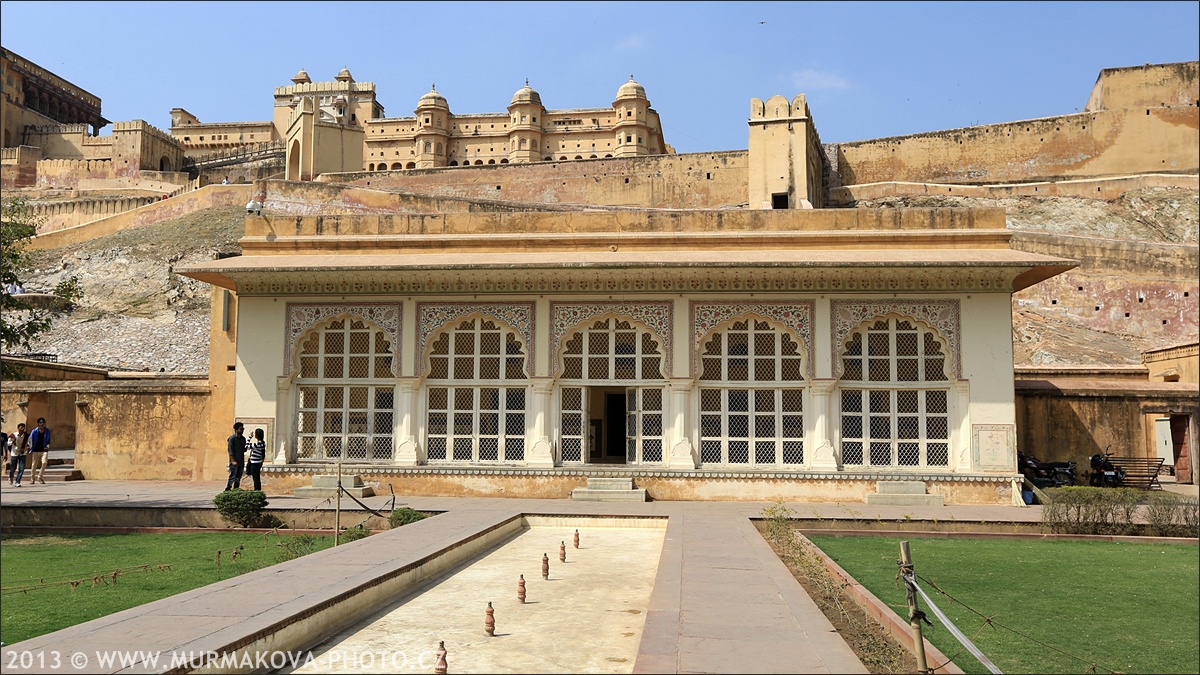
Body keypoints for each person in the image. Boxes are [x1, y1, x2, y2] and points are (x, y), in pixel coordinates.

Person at [27, 417, 51, 485]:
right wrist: (29, 447)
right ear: (38, 423)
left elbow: (48, 440)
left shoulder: (47, 431)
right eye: (40, 422)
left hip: (44, 450)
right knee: (34, 465)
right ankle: (32, 478)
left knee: (44, 462)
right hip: (35, 450)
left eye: (43, 422)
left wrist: (47, 447)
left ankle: (40, 477)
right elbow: (30, 440)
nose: (42, 424)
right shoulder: (34, 431)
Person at [225, 422, 246, 491]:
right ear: (236, 430)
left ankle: (236, 489)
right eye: (241, 429)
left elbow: (243, 449)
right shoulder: (232, 439)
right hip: (234, 461)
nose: (242, 430)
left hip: (241, 460)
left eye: (243, 429)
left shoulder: (243, 439)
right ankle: (228, 489)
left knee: (238, 477)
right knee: (233, 476)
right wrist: (233, 460)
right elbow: (230, 451)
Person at [9, 423, 29, 487]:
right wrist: (12, 441)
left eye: (23, 427)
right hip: (14, 453)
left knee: (21, 468)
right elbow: (8, 443)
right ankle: (11, 476)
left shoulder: (26, 436)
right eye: (21, 427)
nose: (22, 429)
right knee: (13, 468)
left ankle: (18, 481)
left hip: (22, 453)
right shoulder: (13, 435)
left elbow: (30, 443)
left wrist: (27, 448)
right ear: (18, 428)